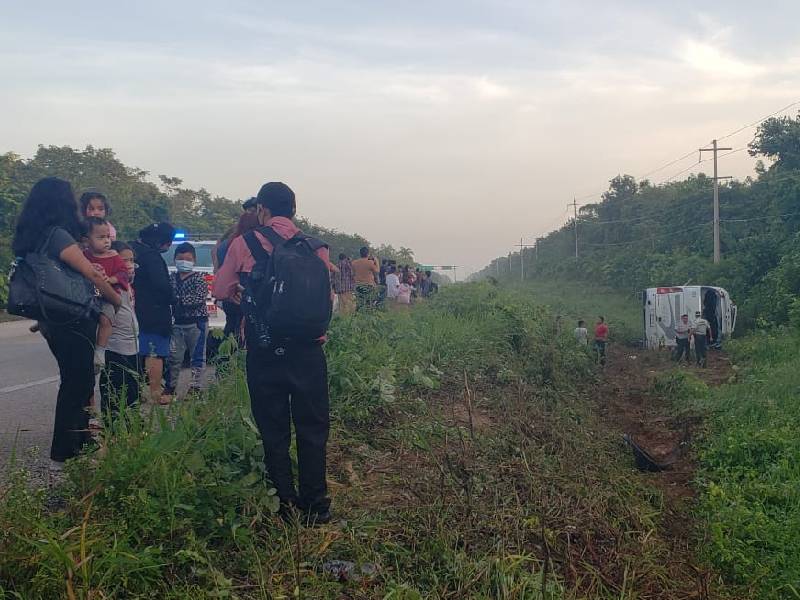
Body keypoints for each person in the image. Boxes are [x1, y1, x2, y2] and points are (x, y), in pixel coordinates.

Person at [213, 181, 332, 524]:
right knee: (313, 427)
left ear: (262, 210)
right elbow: (325, 300)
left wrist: (245, 293)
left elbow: (221, 288)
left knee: (273, 426)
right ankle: (316, 505)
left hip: (264, 349)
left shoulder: (243, 243)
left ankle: (283, 502)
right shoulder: (315, 248)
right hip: (309, 351)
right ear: (294, 210)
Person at [12, 178, 121, 471]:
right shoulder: (58, 235)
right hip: (72, 317)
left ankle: (81, 443)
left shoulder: (32, 236)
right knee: (77, 383)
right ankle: (62, 455)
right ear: (63, 202)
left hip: (51, 318)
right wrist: (117, 300)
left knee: (76, 379)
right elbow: (93, 276)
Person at [130, 222, 176, 403]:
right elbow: (162, 286)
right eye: (167, 242)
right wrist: (173, 299)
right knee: (155, 353)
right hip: (155, 312)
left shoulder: (131, 249)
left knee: (136, 352)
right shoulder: (152, 257)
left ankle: (136, 392)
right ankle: (156, 392)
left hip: (132, 309)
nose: (168, 246)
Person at [101, 241, 141, 417]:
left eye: (131, 260)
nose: (129, 265)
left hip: (132, 345)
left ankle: (131, 430)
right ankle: (114, 429)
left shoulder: (128, 285)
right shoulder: (109, 285)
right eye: (124, 261)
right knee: (115, 392)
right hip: (115, 346)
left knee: (132, 391)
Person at [163, 242, 209, 399]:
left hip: (197, 323)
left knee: (197, 357)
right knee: (174, 357)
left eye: (188, 258)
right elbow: (167, 295)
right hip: (177, 323)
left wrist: (178, 300)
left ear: (194, 261)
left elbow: (198, 298)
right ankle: (170, 387)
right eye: (180, 258)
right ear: (174, 259)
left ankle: (196, 387)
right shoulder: (172, 278)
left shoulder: (199, 279)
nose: (184, 261)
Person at [83, 217, 129, 370]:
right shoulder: (84, 256)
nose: (106, 241)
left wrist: (111, 279)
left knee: (105, 320)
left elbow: (124, 273)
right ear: (87, 240)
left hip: (108, 298)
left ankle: (100, 351)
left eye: (108, 237)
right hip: (87, 297)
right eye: (101, 237)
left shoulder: (115, 257)